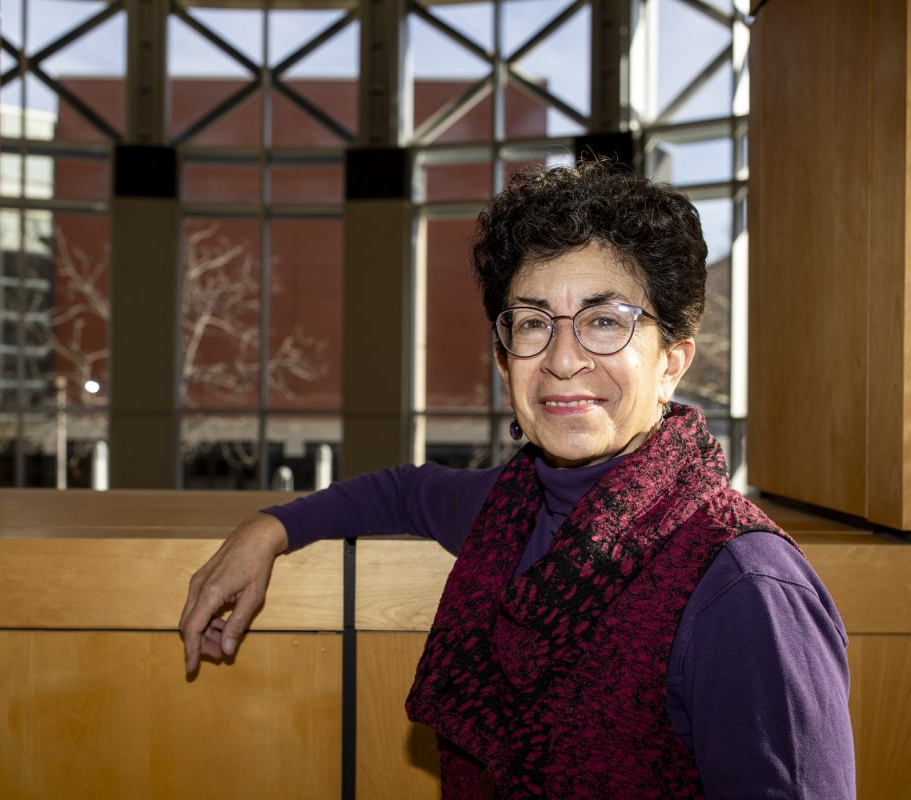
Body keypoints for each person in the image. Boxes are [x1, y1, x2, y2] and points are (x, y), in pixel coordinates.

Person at [180, 159, 855, 798]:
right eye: (534, 322)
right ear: (505, 359)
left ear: (672, 360)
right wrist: (269, 528)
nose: (562, 359)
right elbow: (402, 492)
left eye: (603, 322)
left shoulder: (743, 586)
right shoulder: (513, 509)